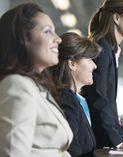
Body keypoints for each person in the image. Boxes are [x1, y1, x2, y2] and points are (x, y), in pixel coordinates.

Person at [0, 3, 73, 157]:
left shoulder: (36, 87)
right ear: (23, 39)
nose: (58, 39)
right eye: (48, 31)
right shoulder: (17, 85)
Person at [82, 0, 123, 148]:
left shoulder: (110, 49)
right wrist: (118, 141)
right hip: (95, 140)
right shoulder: (101, 48)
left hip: (102, 138)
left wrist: (121, 139)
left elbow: (109, 103)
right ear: (116, 18)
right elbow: (98, 99)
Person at [50, 32, 101, 157]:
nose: (94, 66)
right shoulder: (66, 99)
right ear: (72, 64)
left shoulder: (74, 99)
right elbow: (72, 150)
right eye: (89, 60)